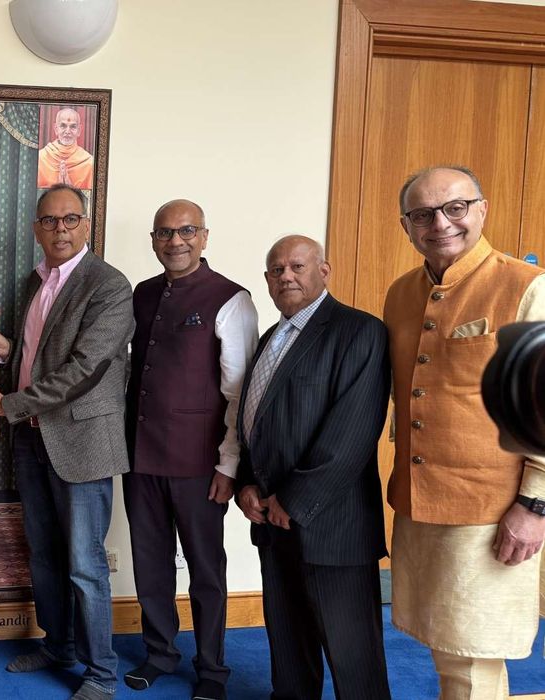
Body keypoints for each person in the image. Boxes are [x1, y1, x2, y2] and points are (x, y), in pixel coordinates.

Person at [0, 184, 134, 700]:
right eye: (49, 221)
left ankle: (101, 674)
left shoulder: (108, 285)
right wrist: (8, 347)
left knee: (85, 564)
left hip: (81, 440)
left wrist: (6, 404)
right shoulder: (34, 282)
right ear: (37, 228)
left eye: (70, 220)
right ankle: (58, 645)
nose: (60, 229)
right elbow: (42, 357)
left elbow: (84, 369)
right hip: (35, 440)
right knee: (43, 553)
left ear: (86, 225)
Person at [385, 165, 545, 697]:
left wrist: (535, 505)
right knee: (446, 648)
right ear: (407, 225)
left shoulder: (525, 287)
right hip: (419, 501)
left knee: (474, 656)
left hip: (492, 507)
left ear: (481, 209)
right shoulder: (402, 292)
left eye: (455, 207)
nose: (441, 223)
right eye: (423, 214)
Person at [236, 235, 391, 699]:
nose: (286, 276)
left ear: (324, 271)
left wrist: (294, 500)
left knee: (352, 652)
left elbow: (352, 433)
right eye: (276, 270)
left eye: (297, 267)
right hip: (270, 518)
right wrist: (247, 482)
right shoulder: (271, 338)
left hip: (332, 525)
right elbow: (256, 420)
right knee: (288, 643)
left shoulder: (360, 331)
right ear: (266, 280)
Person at [122, 200, 258, 700]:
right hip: (141, 458)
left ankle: (212, 670)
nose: (174, 241)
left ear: (204, 237)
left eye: (186, 231)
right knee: (149, 563)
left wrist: (229, 465)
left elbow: (239, 393)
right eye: (164, 232)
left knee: (206, 569)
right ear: (154, 239)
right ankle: (160, 653)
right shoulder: (141, 293)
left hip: (200, 464)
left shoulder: (231, 298)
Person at [37, 108, 94, 190]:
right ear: (56, 129)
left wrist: (71, 189)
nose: (67, 131)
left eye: (73, 127)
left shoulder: (88, 163)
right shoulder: (41, 158)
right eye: (63, 126)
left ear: (79, 130)